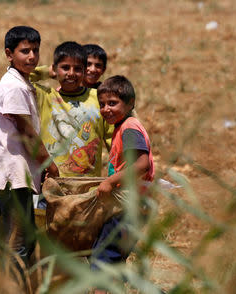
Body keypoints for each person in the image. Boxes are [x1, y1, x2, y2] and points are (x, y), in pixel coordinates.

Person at [0, 26, 58, 274]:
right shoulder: (14, 87)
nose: (32, 56)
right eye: (25, 51)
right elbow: (26, 133)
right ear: (9, 53)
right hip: (13, 174)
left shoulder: (21, 81)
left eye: (35, 50)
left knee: (20, 238)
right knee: (18, 242)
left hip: (18, 174)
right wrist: (48, 163)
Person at [92, 75, 155, 292]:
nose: (106, 109)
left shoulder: (129, 127)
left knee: (101, 262)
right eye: (102, 104)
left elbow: (142, 164)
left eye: (112, 103)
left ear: (130, 103)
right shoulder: (123, 125)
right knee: (114, 263)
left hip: (128, 206)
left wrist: (110, 181)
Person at [33, 41, 113, 177]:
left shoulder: (98, 98)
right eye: (65, 68)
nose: (71, 73)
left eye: (77, 69)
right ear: (55, 69)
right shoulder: (46, 97)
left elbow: (113, 141)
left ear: (84, 71)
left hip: (88, 187)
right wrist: (47, 72)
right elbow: (19, 77)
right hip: (52, 185)